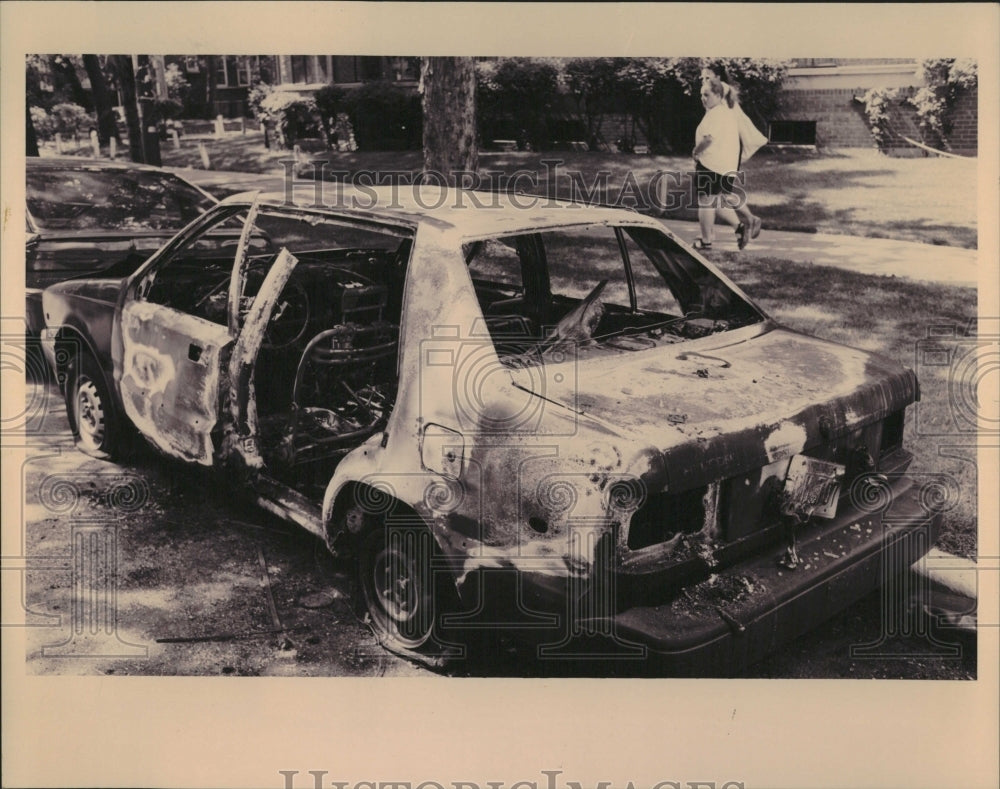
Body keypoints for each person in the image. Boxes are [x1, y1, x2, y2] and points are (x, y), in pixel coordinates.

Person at [699, 66, 765, 249]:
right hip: (728, 149)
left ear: (717, 76)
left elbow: (718, 125)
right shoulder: (720, 92)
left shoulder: (721, 90)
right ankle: (747, 221)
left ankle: (710, 235)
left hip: (723, 150)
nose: (704, 79)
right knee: (721, 195)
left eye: (707, 76)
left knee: (715, 197)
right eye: (702, 77)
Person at [691, 77, 744, 250]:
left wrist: (695, 152)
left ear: (718, 95)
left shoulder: (715, 114)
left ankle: (706, 241)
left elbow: (708, 139)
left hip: (711, 163)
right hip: (726, 165)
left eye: (707, 95)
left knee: (705, 202)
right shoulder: (726, 113)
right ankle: (739, 227)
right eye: (701, 95)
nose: (703, 99)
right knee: (716, 201)